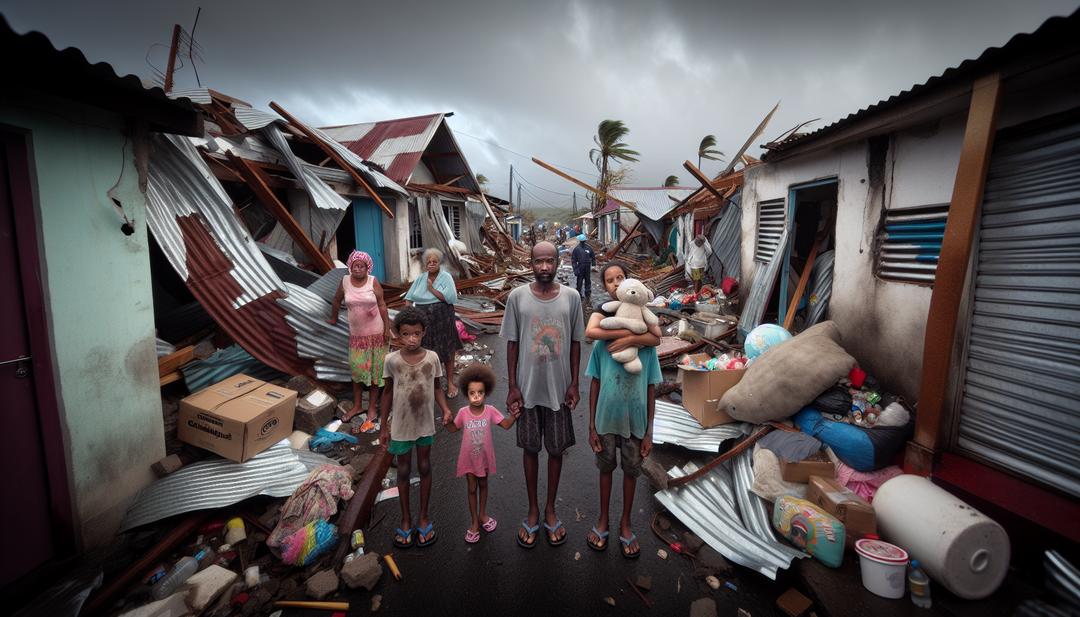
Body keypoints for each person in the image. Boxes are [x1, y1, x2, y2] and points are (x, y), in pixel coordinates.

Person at [502, 241, 584, 549]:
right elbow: (511, 343)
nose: (545, 267)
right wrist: (512, 386)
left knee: (555, 450)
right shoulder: (517, 297)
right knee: (530, 449)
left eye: (550, 261)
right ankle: (533, 509)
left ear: (558, 261)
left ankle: (550, 509)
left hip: (559, 390)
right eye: (539, 262)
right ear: (531, 263)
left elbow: (576, 343)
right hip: (527, 389)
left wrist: (574, 383)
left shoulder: (572, 298)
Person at [583, 265, 661, 558]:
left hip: (636, 422)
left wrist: (649, 432)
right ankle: (603, 520)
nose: (616, 284)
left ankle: (625, 524)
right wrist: (591, 426)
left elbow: (652, 386)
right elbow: (594, 382)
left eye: (620, 278)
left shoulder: (648, 344)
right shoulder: (603, 338)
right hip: (606, 419)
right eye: (609, 280)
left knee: (631, 472)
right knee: (605, 470)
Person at [379, 307, 453, 548]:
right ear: (397, 335)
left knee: (424, 466)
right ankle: (405, 519)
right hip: (401, 426)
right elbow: (387, 393)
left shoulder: (432, 358)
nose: (412, 339)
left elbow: (438, 387)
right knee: (402, 471)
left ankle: (423, 517)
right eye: (406, 334)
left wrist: (445, 409)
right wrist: (383, 427)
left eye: (417, 334)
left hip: (424, 424)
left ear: (424, 333)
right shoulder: (391, 360)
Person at [444, 364, 519, 543]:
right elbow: (454, 428)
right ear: (466, 393)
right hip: (469, 459)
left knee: (484, 485)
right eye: (472, 393)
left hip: (484, 458)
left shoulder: (490, 411)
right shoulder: (463, 412)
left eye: (480, 393)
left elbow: (506, 425)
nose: (476, 397)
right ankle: (474, 522)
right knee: (471, 489)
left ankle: (483, 515)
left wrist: (514, 416)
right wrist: (446, 421)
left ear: (486, 392)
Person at [328, 250, 392, 427]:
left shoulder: (373, 282)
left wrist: (387, 328)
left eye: (361, 265)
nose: (358, 268)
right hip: (357, 338)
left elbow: (382, 305)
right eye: (355, 265)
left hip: (376, 335)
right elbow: (336, 300)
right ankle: (357, 406)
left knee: (374, 374)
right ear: (350, 266)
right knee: (357, 372)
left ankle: (371, 407)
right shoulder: (345, 281)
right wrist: (333, 318)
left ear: (367, 267)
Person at [405, 248, 462, 397]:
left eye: (434, 261)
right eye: (428, 262)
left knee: (448, 350)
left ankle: (450, 382)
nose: (431, 264)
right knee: (427, 351)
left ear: (439, 263)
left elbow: (449, 298)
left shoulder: (446, 277)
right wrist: (409, 316)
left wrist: (431, 289)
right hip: (424, 320)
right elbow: (408, 298)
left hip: (443, 317)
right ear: (425, 264)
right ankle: (431, 383)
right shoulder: (420, 278)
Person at [571, 234, 595, 305]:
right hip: (580, 266)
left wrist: (593, 265)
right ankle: (578, 293)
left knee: (588, 280)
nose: (582, 242)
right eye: (581, 241)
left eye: (583, 241)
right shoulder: (576, 249)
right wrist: (575, 269)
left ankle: (588, 293)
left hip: (587, 266)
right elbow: (573, 260)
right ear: (579, 241)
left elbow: (593, 257)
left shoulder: (589, 248)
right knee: (579, 281)